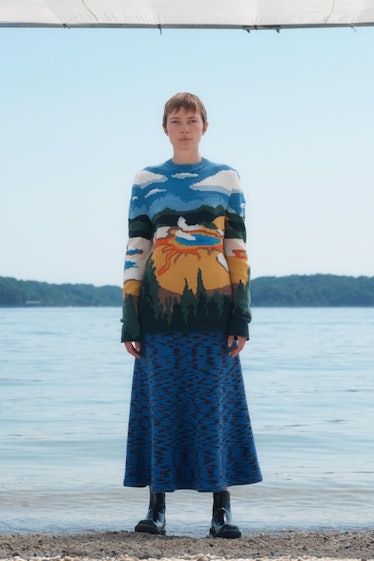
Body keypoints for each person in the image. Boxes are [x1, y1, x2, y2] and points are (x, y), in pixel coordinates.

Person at [121, 92, 262, 539]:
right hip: (158, 318)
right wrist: (130, 315)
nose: (184, 127)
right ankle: (156, 510)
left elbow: (236, 251)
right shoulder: (146, 180)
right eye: (176, 120)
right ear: (165, 128)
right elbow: (137, 249)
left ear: (205, 126)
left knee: (214, 409)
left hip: (214, 316)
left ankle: (221, 511)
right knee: (160, 410)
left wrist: (241, 316)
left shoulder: (226, 179)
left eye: (192, 119)